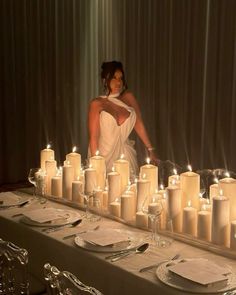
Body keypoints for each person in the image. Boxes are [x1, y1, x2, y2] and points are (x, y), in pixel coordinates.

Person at [87, 61, 158, 176]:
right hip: (104, 155)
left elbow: (139, 124)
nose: (118, 82)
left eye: (121, 78)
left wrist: (150, 149)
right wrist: (97, 166)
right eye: (114, 78)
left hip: (125, 155)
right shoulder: (97, 104)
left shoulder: (128, 98)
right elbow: (93, 138)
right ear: (105, 80)